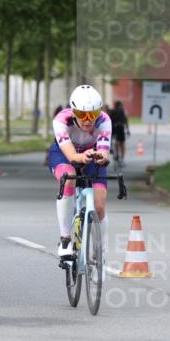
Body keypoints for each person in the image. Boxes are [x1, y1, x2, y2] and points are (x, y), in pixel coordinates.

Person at [49, 85, 112, 258]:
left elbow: (105, 149)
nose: (87, 119)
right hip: (64, 154)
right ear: (73, 111)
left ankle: (99, 249)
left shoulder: (104, 120)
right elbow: (71, 155)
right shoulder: (61, 120)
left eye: (93, 114)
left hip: (91, 154)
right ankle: (65, 239)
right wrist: (81, 157)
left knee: (99, 206)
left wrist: (102, 156)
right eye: (81, 114)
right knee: (69, 178)